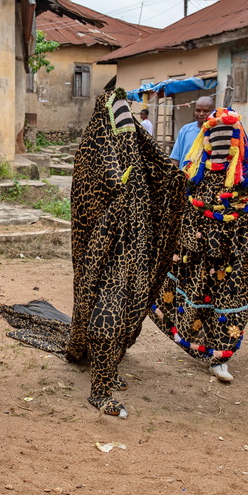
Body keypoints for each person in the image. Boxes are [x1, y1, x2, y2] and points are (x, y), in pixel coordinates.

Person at [65, 85, 184, 418]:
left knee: (131, 311)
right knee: (108, 313)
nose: (128, 130)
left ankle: (110, 370)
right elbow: (86, 204)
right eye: (122, 122)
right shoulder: (93, 148)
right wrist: (115, 186)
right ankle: (99, 391)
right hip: (105, 248)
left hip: (136, 240)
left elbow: (159, 165)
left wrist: (176, 179)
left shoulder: (131, 138)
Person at [150, 108, 248, 383]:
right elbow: (177, 204)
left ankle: (221, 356)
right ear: (205, 139)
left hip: (236, 255)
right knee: (197, 297)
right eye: (214, 136)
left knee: (230, 301)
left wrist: (243, 227)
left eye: (229, 137)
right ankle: (199, 345)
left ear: (238, 141)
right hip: (199, 254)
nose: (221, 144)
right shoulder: (192, 172)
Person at [170, 96, 214, 168]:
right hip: (185, 177)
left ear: (213, 111)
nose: (201, 114)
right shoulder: (185, 130)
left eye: (205, 111)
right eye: (198, 111)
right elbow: (175, 158)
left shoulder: (216, 132)